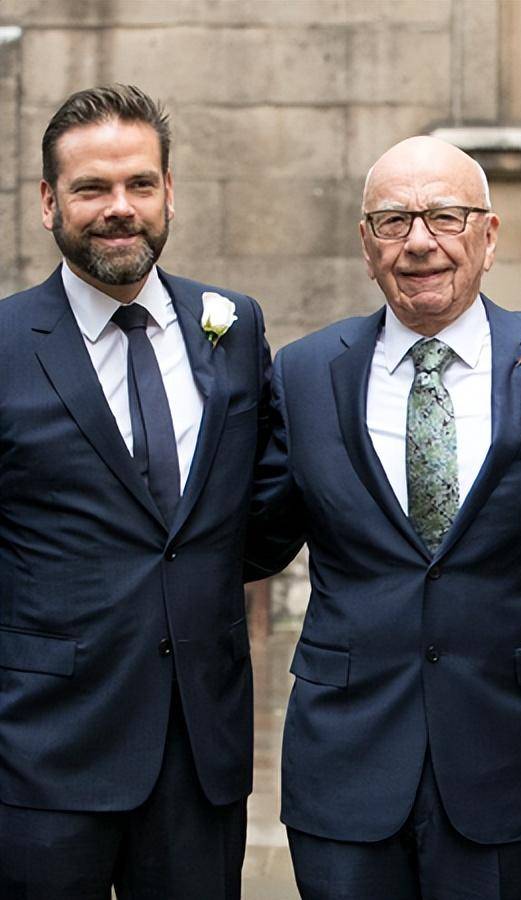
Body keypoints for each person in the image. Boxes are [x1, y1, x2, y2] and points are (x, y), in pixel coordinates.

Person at [245, 135, 521, 900]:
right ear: (366, 244)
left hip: (514, 756)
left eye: (446, 216)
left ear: (489, 235)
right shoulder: (305, 373)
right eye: (394, 221)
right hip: (346, 760)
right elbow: (250, 538)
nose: (419, 242)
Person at [0, 85, 271, 898]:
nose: (120, 208)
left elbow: (263, 505)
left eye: (140, 184)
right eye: (92, 188)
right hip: (42, 756)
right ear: (48, 201)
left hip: (201, 754)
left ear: (169, 192)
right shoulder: (5, 345)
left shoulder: (235, 328)